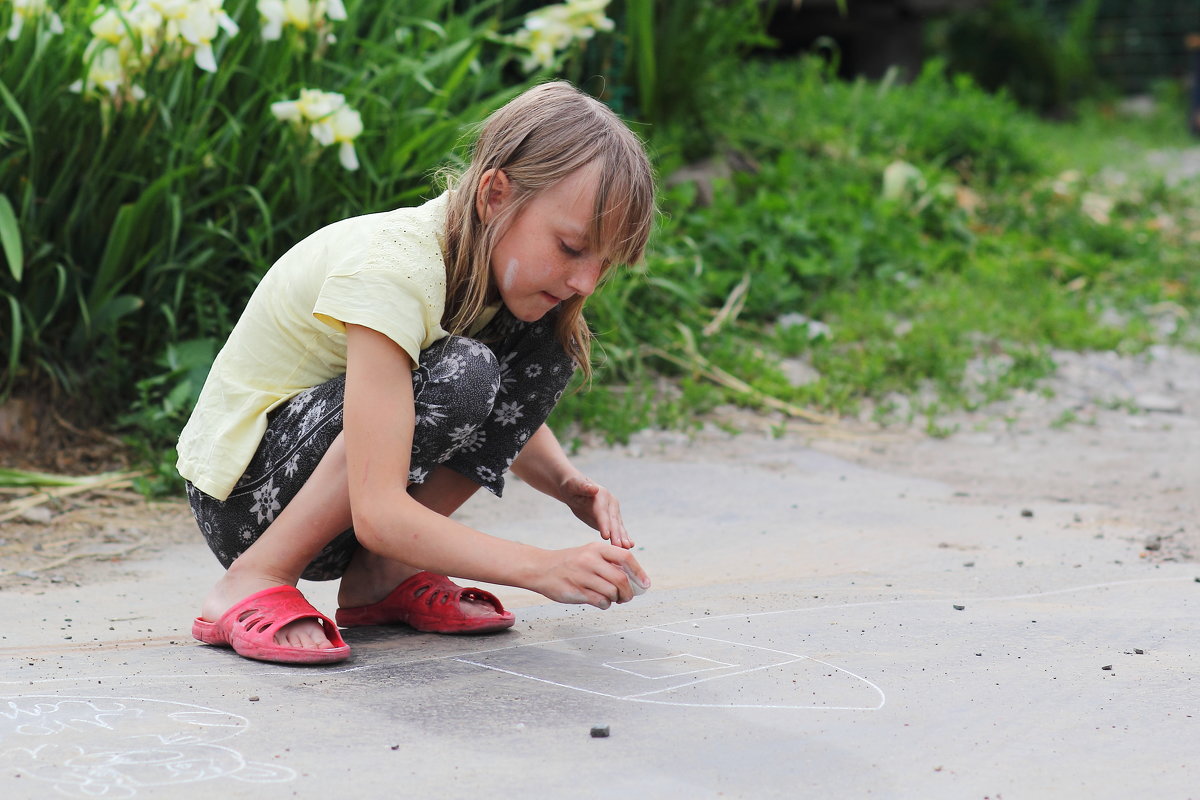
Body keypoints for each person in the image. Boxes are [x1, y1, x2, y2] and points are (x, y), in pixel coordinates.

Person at [176, 81, 655, 665]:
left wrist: (566, 483)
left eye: (604, 264)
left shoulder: (489, 271)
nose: (584, 281)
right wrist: (542, 567)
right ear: (495, 194)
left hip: (343, 518)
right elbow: (378, 510)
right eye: (571, 247)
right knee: (463, 371)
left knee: (549, 347)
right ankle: (254, 579)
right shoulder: (397, 268)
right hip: (247, 501)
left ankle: (382, 578)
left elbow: (495, 413)